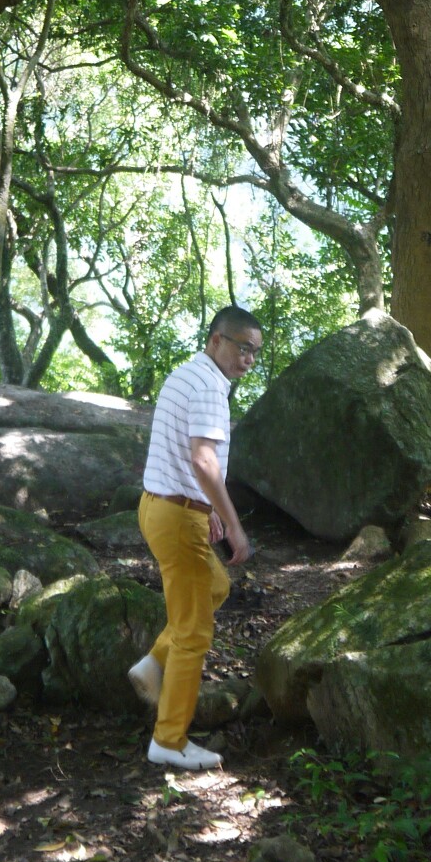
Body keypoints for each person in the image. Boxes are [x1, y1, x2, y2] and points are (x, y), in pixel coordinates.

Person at [129, 305, 263, 771]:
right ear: (215, 340)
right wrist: (234, 522)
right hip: (177, 516)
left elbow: (181, 457)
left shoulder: (186, 375)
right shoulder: (209, 386)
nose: (248, 358)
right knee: (194, 634)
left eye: (255, 352)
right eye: (242, 347)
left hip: (160, 506)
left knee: (216, 587)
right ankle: (169, 741)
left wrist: (208, 512)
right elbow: (204, 461)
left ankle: (152, 665)